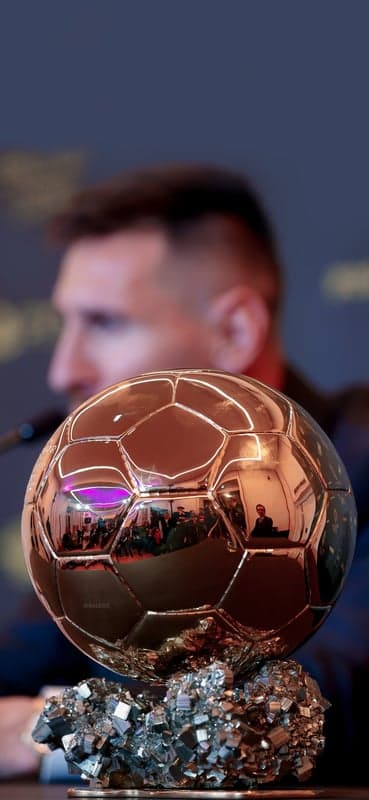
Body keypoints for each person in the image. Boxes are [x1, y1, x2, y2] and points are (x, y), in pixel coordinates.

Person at [1, 162, 369, 784]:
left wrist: (48, 730)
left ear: (235, 331)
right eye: (66, 322)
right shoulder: (106, 499)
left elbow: (336, 705)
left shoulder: (358, 455)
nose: (64, 369)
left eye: (104, 322)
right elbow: (17, 660)